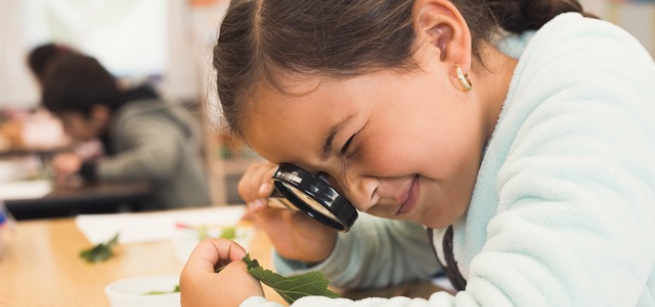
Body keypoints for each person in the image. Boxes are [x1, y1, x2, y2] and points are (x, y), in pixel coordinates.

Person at [180, 0, 655, 306]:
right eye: (323, 179)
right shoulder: (464, 151)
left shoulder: (587, 90)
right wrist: (318, 250)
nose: (360, 198)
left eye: (347, 144)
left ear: (440, 41)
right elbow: (424, 249)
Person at [41, 53, 212, 209]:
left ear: (98, 114)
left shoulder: (135, 117)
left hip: (186, 216)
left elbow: (157, 161)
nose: (65, 131)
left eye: (67, 122)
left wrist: (89, 169)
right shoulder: (121, 117)